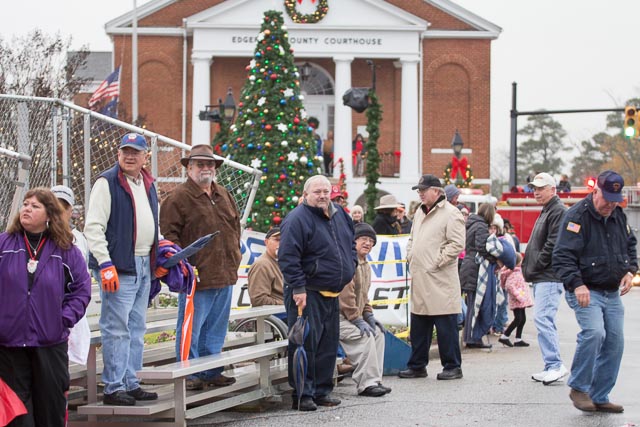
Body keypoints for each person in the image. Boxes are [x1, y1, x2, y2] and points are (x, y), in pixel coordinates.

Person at [0, 188, 91, 426]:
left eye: (35, 206)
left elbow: (81, 289)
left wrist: (61, 319)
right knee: (17, 416)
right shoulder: (4, 244)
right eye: (25, 204)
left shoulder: (65, 250)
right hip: (9, 346)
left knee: (50, 412)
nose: (27, 209)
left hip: (49, 344)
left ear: (49, 214)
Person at [85, 132, 160, 406]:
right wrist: (105, 264)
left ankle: (131, 381)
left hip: (143, 265)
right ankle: (113, 387)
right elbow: (93, 227)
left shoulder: (148, 184)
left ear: (144, 157)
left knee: (137, 326)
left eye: (135, 152)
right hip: (118, 266)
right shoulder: (106, 182)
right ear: (118, 154)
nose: (130, 156)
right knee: (116, 328)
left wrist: (158, 259)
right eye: (125, 151)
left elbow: (153, 224)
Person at [553, 170, 636, 413]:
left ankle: (600, 395)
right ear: (595, 191)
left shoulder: (618, 216)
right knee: (594, 333)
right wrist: (577, 284)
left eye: (615, 199)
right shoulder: (576, 216)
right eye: (606, 198)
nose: (610, 204)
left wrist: (630, 270)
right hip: (585, 288)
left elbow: (631, 245)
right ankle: (579, 387)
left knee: (615, 342)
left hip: (611, 292)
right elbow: (562, 256)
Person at [160, 144, 242, 390]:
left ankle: (210, 370)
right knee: (191, 330)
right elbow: (168, 236)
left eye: (209, 164)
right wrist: (183, 264)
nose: (206, 168)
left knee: (216, 328)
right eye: (200, 164)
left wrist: (234, 256)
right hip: (196, 276)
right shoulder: (177, 198)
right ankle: (189, 373)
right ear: (189, 168)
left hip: (225, 274)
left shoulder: (224, 194)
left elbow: (235, 228)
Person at [279, 174, 357, 411]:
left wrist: (350, 265)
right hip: (307, 293)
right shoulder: (297, 219)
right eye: (317, 192)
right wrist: (298, 287)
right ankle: (303, 394)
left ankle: (322, 390)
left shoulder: (340, 215)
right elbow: (288, 257)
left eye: (326, 191)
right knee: (305, 345)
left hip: (332, 293)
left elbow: (350, 244)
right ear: (306, 195)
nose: (322, 195)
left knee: (327, 345)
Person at [398, 174, 465, 380]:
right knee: (419, 326)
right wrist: (411, 254)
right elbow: (412, 239)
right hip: (421, 276)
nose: (420, 193)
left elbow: (457, 244)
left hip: (440, 279)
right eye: (419, 189)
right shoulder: (419, 212)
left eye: (423, 189)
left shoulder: (451, 213)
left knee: (446, 327)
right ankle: (417, 365)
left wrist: (436, 261)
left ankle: (453, 366)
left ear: (436, 191)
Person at [521, 172, 569, 385]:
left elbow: (553, 244)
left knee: (543, 318)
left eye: (541, 188)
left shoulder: (556, 210)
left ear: (553, 189)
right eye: (534, 188)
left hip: (548, 275)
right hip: (544, 275)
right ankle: (551, 364)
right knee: (543, 319)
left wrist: (536, 264)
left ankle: (555, 365)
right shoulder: (550, 210)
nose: (536, 192)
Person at [338, 222, 390, 397]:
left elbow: (364, 296)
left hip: (353, 317)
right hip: (338, 318)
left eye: (371, 241)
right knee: (365, 336)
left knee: (378, 334)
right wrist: (357, 319)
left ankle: (375, 379)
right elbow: (345, 297)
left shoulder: (365, 265)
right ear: (354, 241)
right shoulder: (348, 262)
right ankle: (365, 384)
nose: (367, 243)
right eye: (363, 239)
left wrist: (368, 315)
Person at [51, 185, 92, 366]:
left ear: (70, 210)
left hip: (67, 313)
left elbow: (81, 285)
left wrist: (66, 316)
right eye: (54, 206)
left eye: (64, 207)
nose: (58, 212)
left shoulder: (77, 239)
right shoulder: (35, 237)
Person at [460, 203, 495, 348]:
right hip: (475, 267)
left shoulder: (471, 224)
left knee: (471, 305)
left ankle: (470, 337)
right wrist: (494, 259)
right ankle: (473, 338)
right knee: (476, 305)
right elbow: (482, 246)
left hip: (468, 266)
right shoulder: (481, 226)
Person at [247, 227, 284, 318]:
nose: (281, 243)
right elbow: (258, 300)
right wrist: (285, 303)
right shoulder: (262, 265)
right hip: (274, 314)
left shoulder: (285, 262)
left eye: (284, 240)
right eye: (277, 240)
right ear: (266, 242)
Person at [498, 253, 533, 347]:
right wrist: (519, 296)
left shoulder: (517, 271)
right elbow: (510, 286)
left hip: (521, 300)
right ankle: (505, 336)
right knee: (518, 319)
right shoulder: (513, 273)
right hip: (517, 300)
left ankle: (518, 339)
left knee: (522, 319)